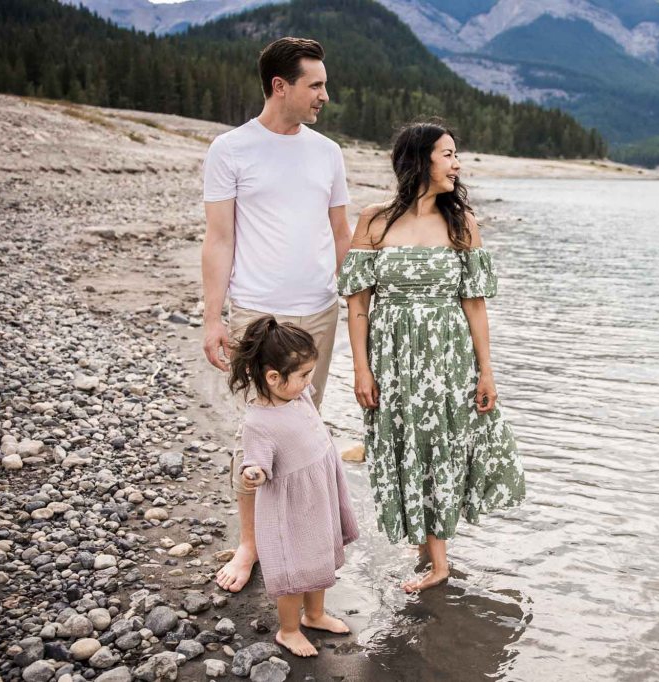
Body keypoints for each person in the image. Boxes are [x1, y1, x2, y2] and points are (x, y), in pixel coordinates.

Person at [338, 120, 525, 593]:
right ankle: (425, 545)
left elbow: (475, 304)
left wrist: (486, 371)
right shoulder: (374, 220)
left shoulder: (462, 223)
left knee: (441, 442)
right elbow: (358, 304)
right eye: (448, 154)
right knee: (404, 441)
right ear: (420, 160)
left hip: (448, 356)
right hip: (392, 357)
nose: (457, 164)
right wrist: (361, 369)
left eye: (456, 155)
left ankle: (438, 562)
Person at [201, 36, 351, 593]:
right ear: (280, 86)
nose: (325, 96)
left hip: (320, 314)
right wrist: (213, 319)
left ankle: (301, 539)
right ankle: (250, 543)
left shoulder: (328, 152)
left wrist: (355, 301)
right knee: (258, 434)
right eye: (316, 85)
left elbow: (341, 234)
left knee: (304, 431)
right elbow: (219, 239)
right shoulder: (231, 149)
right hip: (257, 316)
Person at [229, 316, 359, 656]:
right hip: (293, 509)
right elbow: (255, 463)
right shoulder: (259, 422)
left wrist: (301, 381)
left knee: (319, 558)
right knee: (295, 570)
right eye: (303, 375)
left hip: (318, 496)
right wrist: (254, 473)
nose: (308, 381)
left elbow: (306, 411)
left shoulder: (297, 396)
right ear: (273, 377)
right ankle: (288, 630)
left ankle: (314, 615)